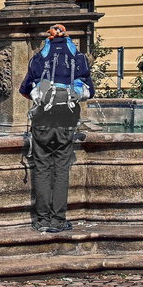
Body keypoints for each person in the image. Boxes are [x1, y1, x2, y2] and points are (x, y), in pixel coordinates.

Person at [18, 23, 93, 232]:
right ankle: (58, 221)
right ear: (67, 37)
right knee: (61, 170)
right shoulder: (78, 58)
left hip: (42, 121)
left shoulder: (39, 58)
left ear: (49, 38)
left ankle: (42, 220)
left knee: (42, 168)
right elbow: (90, 91)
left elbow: (24, 90)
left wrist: (43, 93)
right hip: (67, 121)